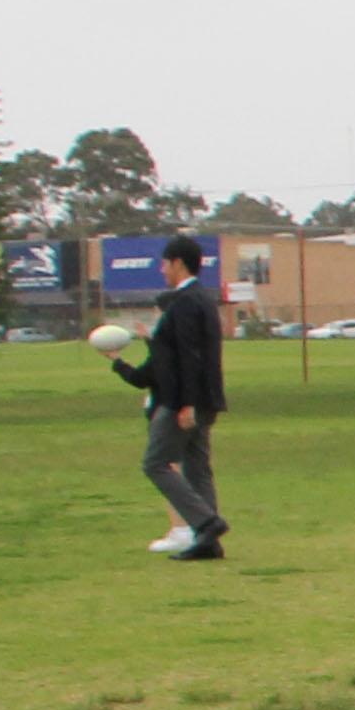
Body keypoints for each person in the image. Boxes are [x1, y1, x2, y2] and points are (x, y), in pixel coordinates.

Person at [110, 235, 228, 560]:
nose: (162, 270)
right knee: (197, 468)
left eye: (164, 264)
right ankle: (208, 542)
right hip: (205, 397)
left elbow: (189, 357)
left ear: (178, 263)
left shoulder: (185, 302)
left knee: (155, 463)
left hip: (181, 400)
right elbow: (173, 355)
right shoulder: (202, 299)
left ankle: (206, 522)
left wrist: (187, 403)